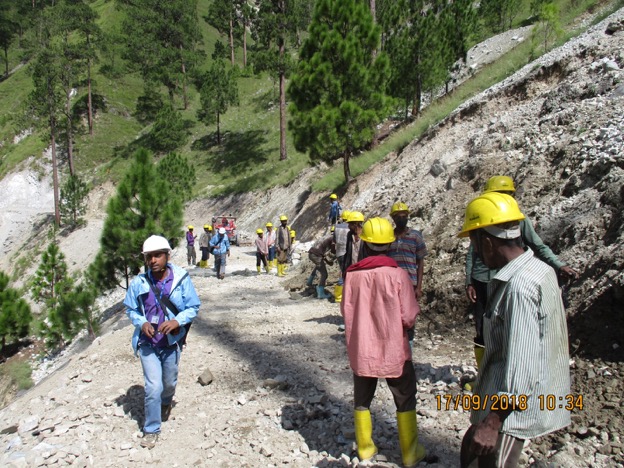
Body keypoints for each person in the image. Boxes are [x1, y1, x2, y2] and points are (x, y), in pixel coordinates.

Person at [457, 192, 571, 468]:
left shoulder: (519, 288)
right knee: (468, 453)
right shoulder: (539, 270)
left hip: (508, 415)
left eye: (474, 243)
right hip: (501, 402)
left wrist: (493, 423)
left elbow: (522, 365)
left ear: (487, 243)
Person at [464, 176, 579, 389]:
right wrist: (469, 281)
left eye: (507, 196)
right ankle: (484, 377)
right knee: (484, 329)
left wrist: (558, 264)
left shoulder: (521, 284)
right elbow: (472, 254)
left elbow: (538, 245)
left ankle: (499, 381)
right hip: (483, 280)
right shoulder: (484, 222)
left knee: (510, 333)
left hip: (506, 279)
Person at [341, 218, 426, 466]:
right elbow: (408, 316)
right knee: (405, 396)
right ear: (390, 245)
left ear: (365, 245)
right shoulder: (398, 275)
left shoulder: (352, 276)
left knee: (362, 398)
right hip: (394, 349)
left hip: (363, 350)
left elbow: (346, 312)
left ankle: (365, 449)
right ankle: (410, 453)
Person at [124, 235, 200, 449]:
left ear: (167, 255)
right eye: (149, 256)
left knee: (169, 383)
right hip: (148, 343)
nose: (153, 260)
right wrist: (141, 323)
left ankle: (166, 402)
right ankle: (151, 428)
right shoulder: (139, 283)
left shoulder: (181, 279)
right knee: (153, 387)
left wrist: (177, 321)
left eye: (158, 255)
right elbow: (130, 308)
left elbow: (193, 307)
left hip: (171, 343)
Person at [387, 202, 427, 346]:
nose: (402, 219)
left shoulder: (416, 236)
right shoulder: (388, 236)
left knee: (409, 317)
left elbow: (420, 262)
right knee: (392, 315)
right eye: (398, 216)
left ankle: (408, 350)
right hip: (391, 285)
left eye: (404, 216)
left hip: (410, 284)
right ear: (393, 218)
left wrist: (419, 287)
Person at [306, 233, 336, 299]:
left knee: (319, 266)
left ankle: (309, 281)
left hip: (312, 253)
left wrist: (328, 261)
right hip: (316, 255)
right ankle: (321, 293)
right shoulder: (333, 238)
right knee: (324, 274)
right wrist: (335, 254)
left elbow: (323, 254)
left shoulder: (327, 236)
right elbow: (333, 250)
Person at [332, 210, 351, 302]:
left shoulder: (336, 227)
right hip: (347, 253)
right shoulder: (350, 227)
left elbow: (334, 241)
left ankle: (339, 296)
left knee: (342, 271)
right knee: (347, 273)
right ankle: (341, 296)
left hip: (339, 253)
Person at [342, 211, 365, 277]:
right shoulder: (349, 234)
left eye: (350, 224)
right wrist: (344, 268)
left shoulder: (365, 234)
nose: (348, 226)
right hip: (352, 268)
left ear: (356, 224)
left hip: (362, 269)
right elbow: (347, 252)